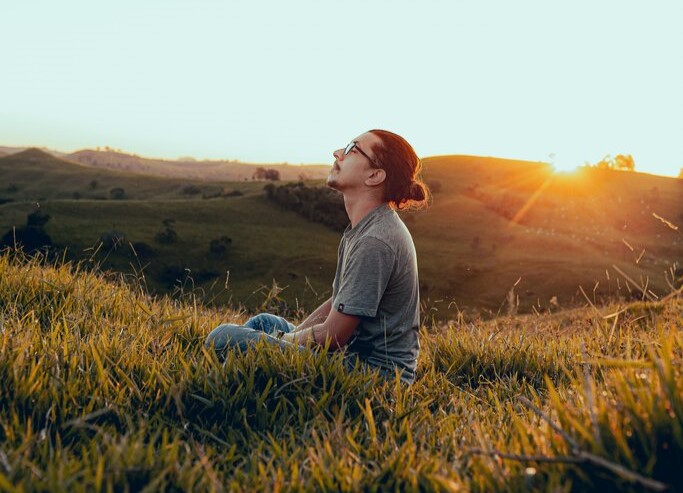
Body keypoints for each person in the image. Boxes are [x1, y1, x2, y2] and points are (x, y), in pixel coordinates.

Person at [205, 129, 429, 383]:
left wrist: (286, 342)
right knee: (265, 322)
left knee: (221, 337)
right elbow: (338, 302)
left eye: (352, 149)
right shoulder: (368, 227)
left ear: (375, 175)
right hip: (352, 357)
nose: (337, 153)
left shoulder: (375, 240)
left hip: (375, 376)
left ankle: (245, 376)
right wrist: (289, 340)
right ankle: (246, 374)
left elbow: (333, 336)